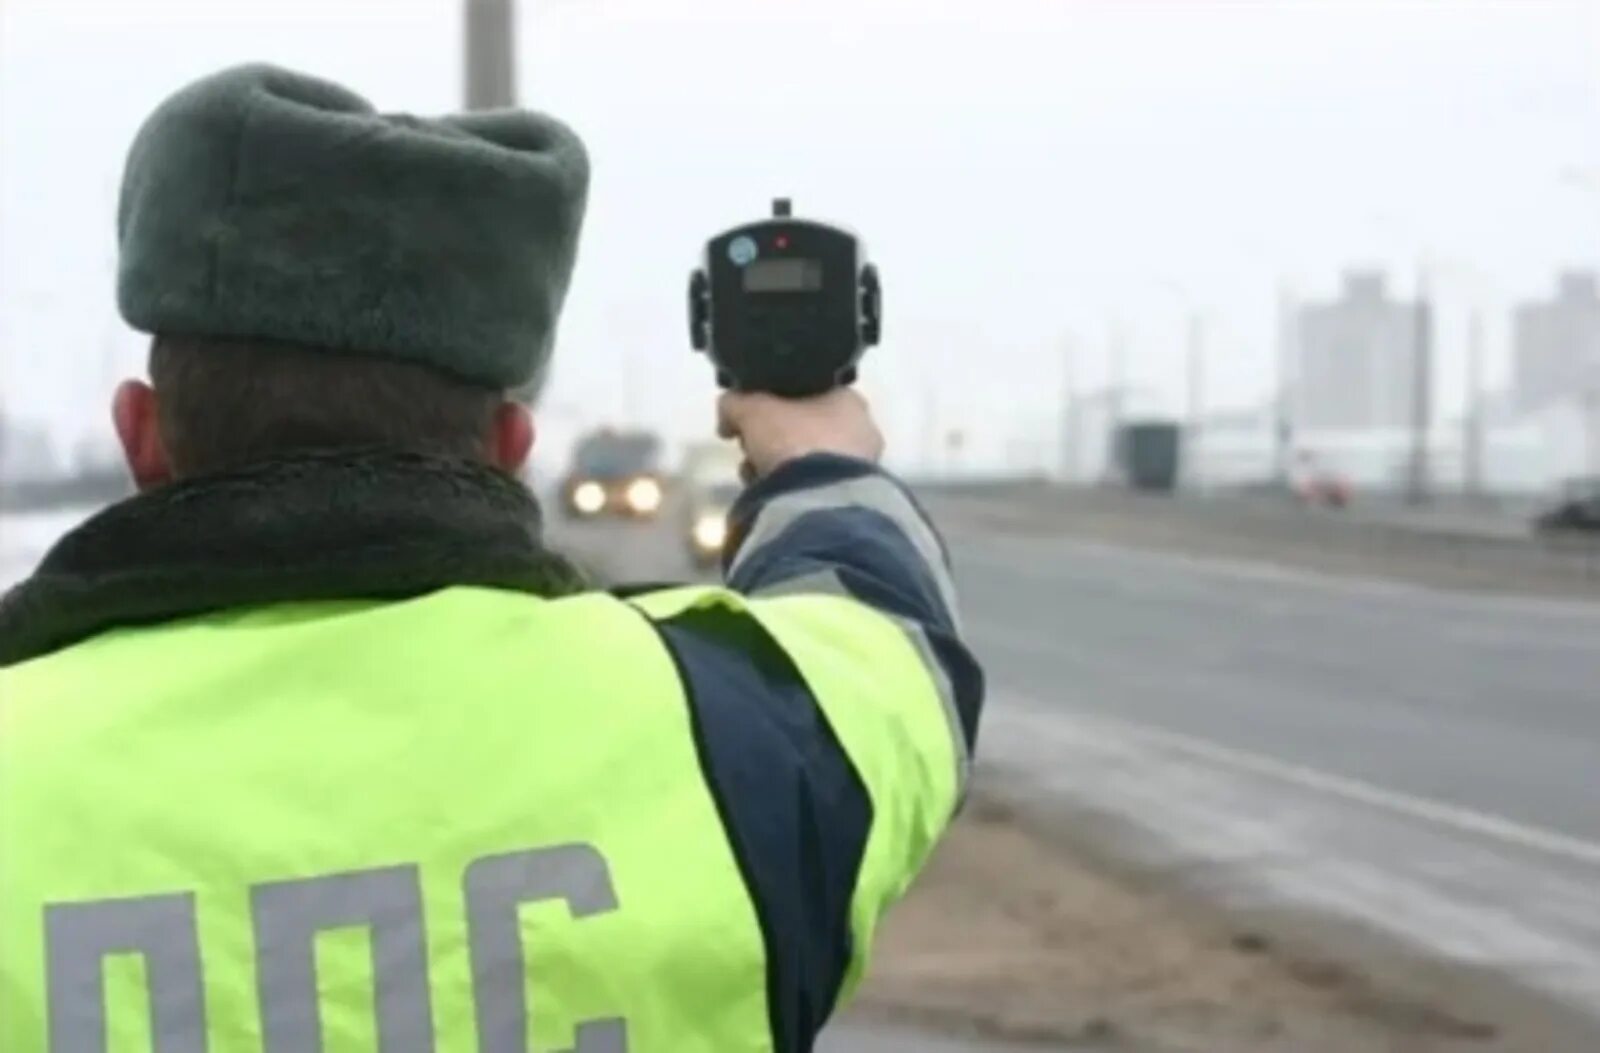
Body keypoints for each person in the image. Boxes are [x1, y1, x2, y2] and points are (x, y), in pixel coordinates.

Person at [0, 65, 981, 1052]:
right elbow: (884, 636)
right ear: (511, 446)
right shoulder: (731, 746)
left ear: (141, 435)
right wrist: (813, 459)